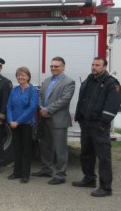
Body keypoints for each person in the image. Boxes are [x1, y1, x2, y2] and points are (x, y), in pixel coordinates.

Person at [72, 57, 121, 197]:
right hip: (86, 124)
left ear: (104, 66)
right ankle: (89, 179)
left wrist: (103, 124)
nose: (94, 67)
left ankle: (106, 188)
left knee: (103, 157)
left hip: (99, 125)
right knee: (86, 153)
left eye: (97, 65)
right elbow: (82, 100)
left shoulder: (111, 83)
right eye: (93, 64)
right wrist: (80, 117)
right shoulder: (89, 80)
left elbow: (113, 105)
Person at [31, 57, 75, 185]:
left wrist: (48, 110)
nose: (53, 68)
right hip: (45, 119)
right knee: (45, 146)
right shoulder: (47, 81)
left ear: (63, 67)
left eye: (56, 66)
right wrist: (41, 108)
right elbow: (39, 96)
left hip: (58, 120)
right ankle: (46, 169)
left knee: (60, 148)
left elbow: (64, 100)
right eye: (52, 66)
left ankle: (61, 174)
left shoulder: (69, 82)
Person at [6, 67, 38, 183]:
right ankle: (16, 172)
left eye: (23, 75)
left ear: (28, 77)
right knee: (17, 149)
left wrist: (18, 121)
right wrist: (10, 120)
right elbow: (9, 106)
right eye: (19, 75)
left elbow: (32, 108)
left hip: (26, 124)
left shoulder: (32, 90)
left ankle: (25, 175)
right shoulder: (14, 90)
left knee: (26, 150)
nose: (21, 77)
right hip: (14, 124)